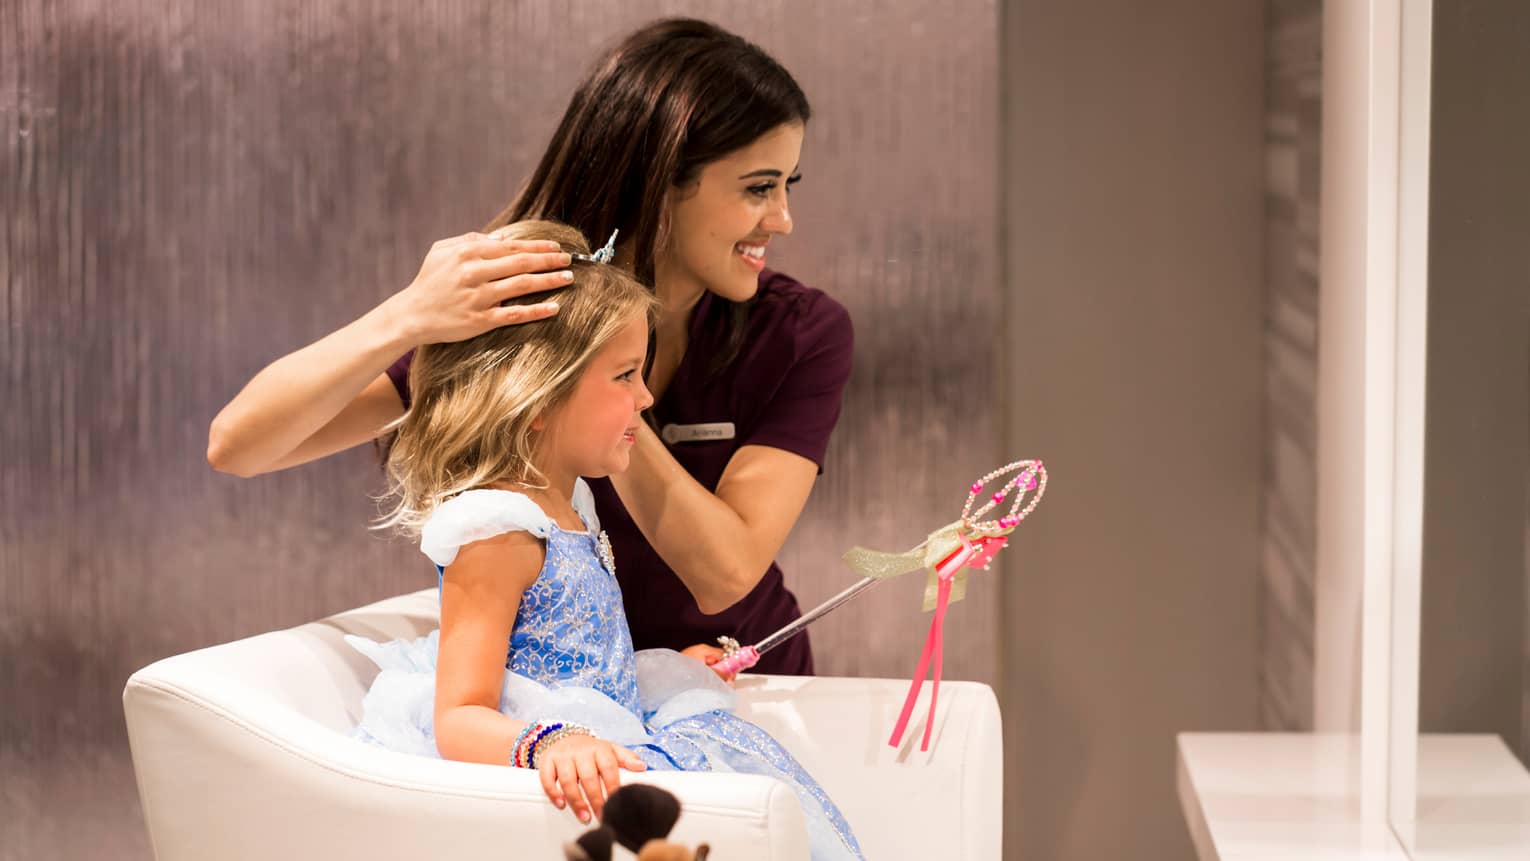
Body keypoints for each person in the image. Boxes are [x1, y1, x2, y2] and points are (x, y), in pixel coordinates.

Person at [207, 18, 851, 675]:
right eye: (757, 188)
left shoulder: (802, 332)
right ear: (661, 179)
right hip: (559, 709)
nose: (782, 219)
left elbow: (726, 574)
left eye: (785, 186)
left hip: (742, 693)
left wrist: (598, 374)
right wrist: (406, 317)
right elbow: (239, 444)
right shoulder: (524, 306)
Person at [347, 221, 862, 860]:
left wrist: (668, 671)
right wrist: (550, 744)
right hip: (562, 770)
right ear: (536, 395)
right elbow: (459, 717)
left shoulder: (573, 504)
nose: (646, 399)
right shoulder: (498, 528)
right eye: (624, 377)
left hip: (614, 731)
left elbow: (579, 660)